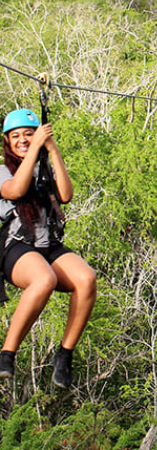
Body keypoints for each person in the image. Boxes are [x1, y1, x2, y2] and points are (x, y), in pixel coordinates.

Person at [0, 108, 96, 388]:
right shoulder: (3, 170)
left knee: (86, 279)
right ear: (8, 142)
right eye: (16, 136)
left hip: (48, 244)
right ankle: (7, 354)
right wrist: (35, 148)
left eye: (28, 135)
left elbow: (66, 194)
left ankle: (65, 356)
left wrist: (51, 149)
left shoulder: (45, 168)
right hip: (16, 245)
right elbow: (16, 191)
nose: (22, 140)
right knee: (44, 280)